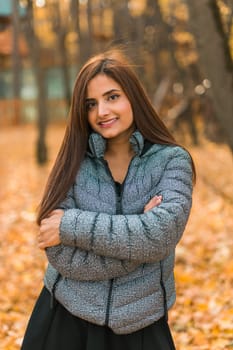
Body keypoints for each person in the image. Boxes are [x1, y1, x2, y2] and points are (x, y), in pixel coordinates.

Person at [21, 49, 195, 350]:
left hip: (141, 325)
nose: (101, 111)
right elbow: (62, 255)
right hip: (63, 320)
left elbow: (160, 236)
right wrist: (140, 235)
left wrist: (70, 226)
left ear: (133, 97)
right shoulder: (73, 163)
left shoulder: (172, 161)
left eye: (112, 97)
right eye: (91, 104)